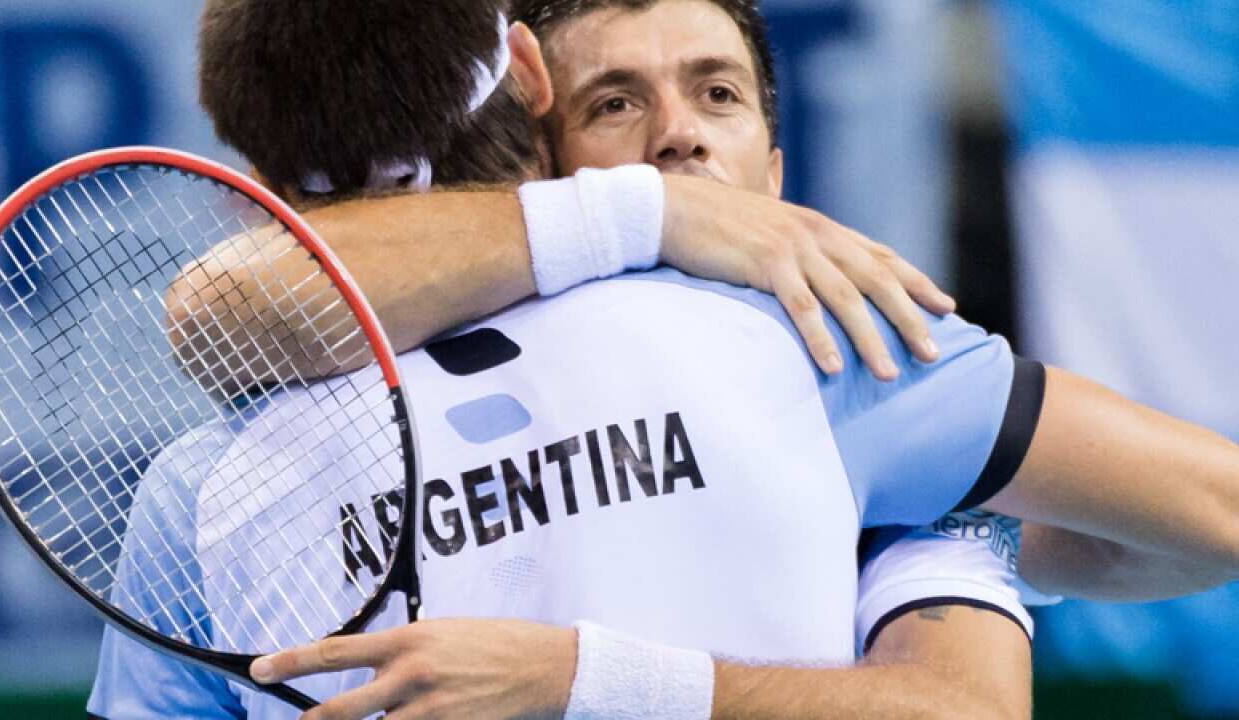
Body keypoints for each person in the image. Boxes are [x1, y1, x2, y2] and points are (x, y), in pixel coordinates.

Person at [94, 2, 1239, 719]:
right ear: (537, 114)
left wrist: (958, 523)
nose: (677, 135)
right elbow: (218, 306)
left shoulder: (842, 354)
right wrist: (643, 218)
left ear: (779, 174)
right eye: (617, 103)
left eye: (717, 91)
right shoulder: (213, 480)